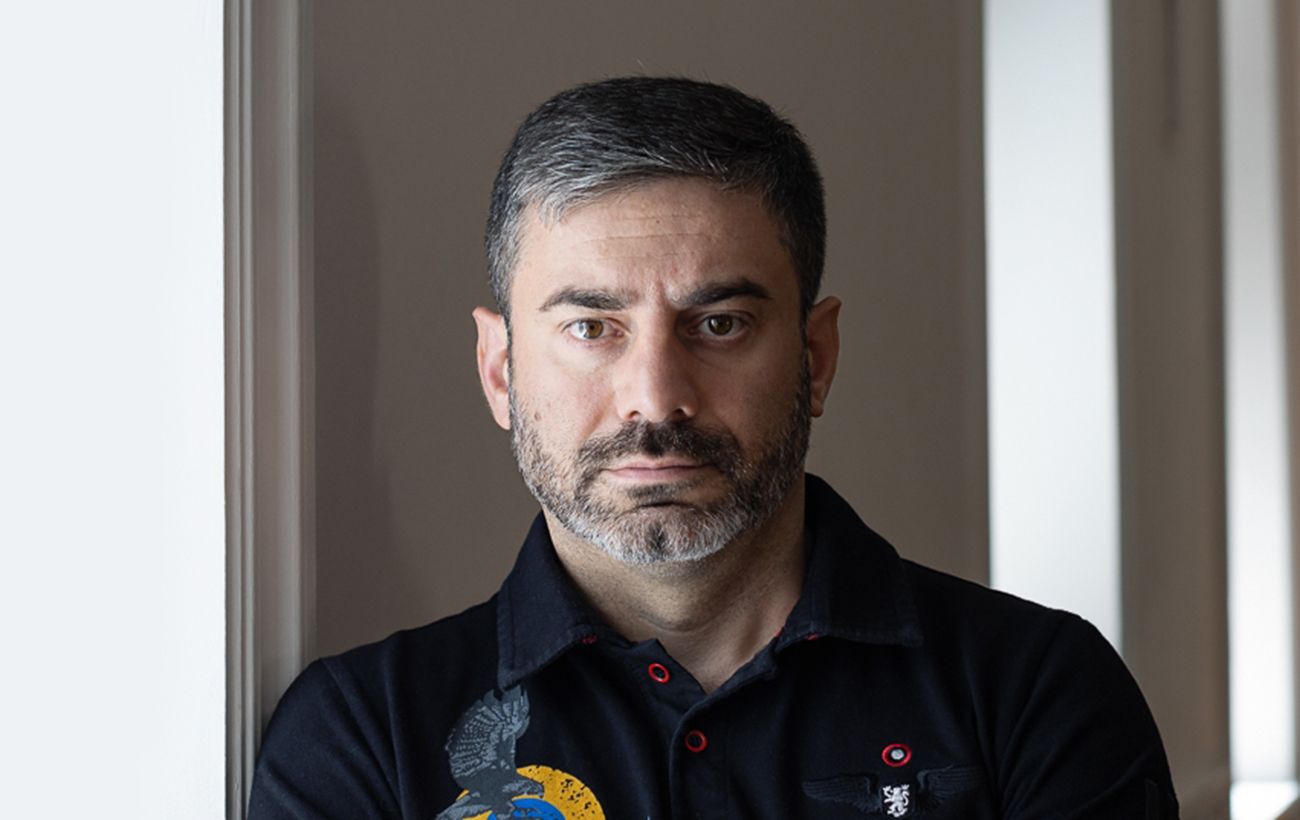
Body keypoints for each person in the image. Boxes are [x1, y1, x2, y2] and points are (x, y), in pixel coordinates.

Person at [249, 77, 1178, 819]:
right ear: (500, 370)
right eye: (591, 327)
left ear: (816, 357)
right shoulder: (365, 739)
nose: (656, 397)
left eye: (720, 322)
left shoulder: (1036, 694)